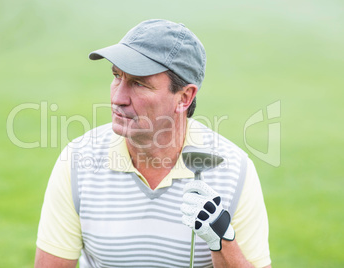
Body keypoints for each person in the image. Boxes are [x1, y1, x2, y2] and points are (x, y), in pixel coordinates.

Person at [34, 19, 271, 268]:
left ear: (184, 97)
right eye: (116, 76)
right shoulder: (77, 160)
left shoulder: (234, 170)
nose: (117, 98)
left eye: (139, 83)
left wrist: (221, 238)